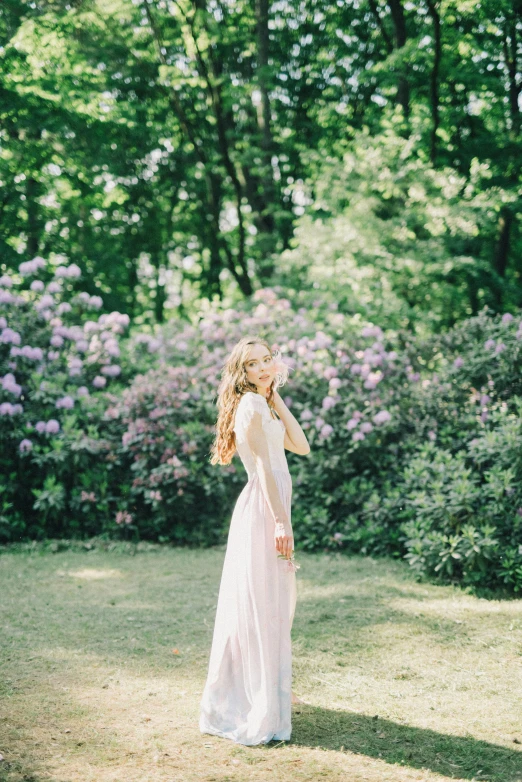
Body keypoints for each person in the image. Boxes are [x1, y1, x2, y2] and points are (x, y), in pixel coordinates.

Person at [199, 335, 311, 746]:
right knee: (262, 607)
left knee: (273, 606)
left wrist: (276, 398)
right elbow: (264, 466)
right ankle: (255, 704)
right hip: (264, 512)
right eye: (253, 365)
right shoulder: (248, 405)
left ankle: (268, 696)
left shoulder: (262, 403)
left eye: (268, 360)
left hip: (272, 509)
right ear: (241, 372)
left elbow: (301, 445)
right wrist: (280, 522)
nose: (264, 368)